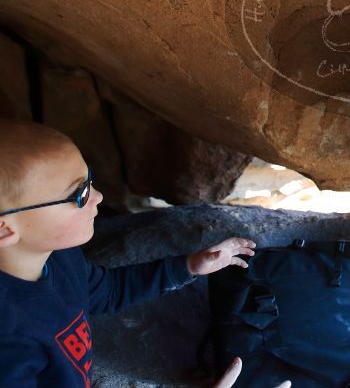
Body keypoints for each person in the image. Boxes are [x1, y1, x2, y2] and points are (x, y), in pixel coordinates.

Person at [0, 119, 286, 388]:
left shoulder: (57, 256)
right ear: (4, 229)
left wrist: (189, 266)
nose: (98, 197)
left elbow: (106, 291)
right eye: (80, 194)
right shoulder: (9, 338)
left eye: (90, 180)